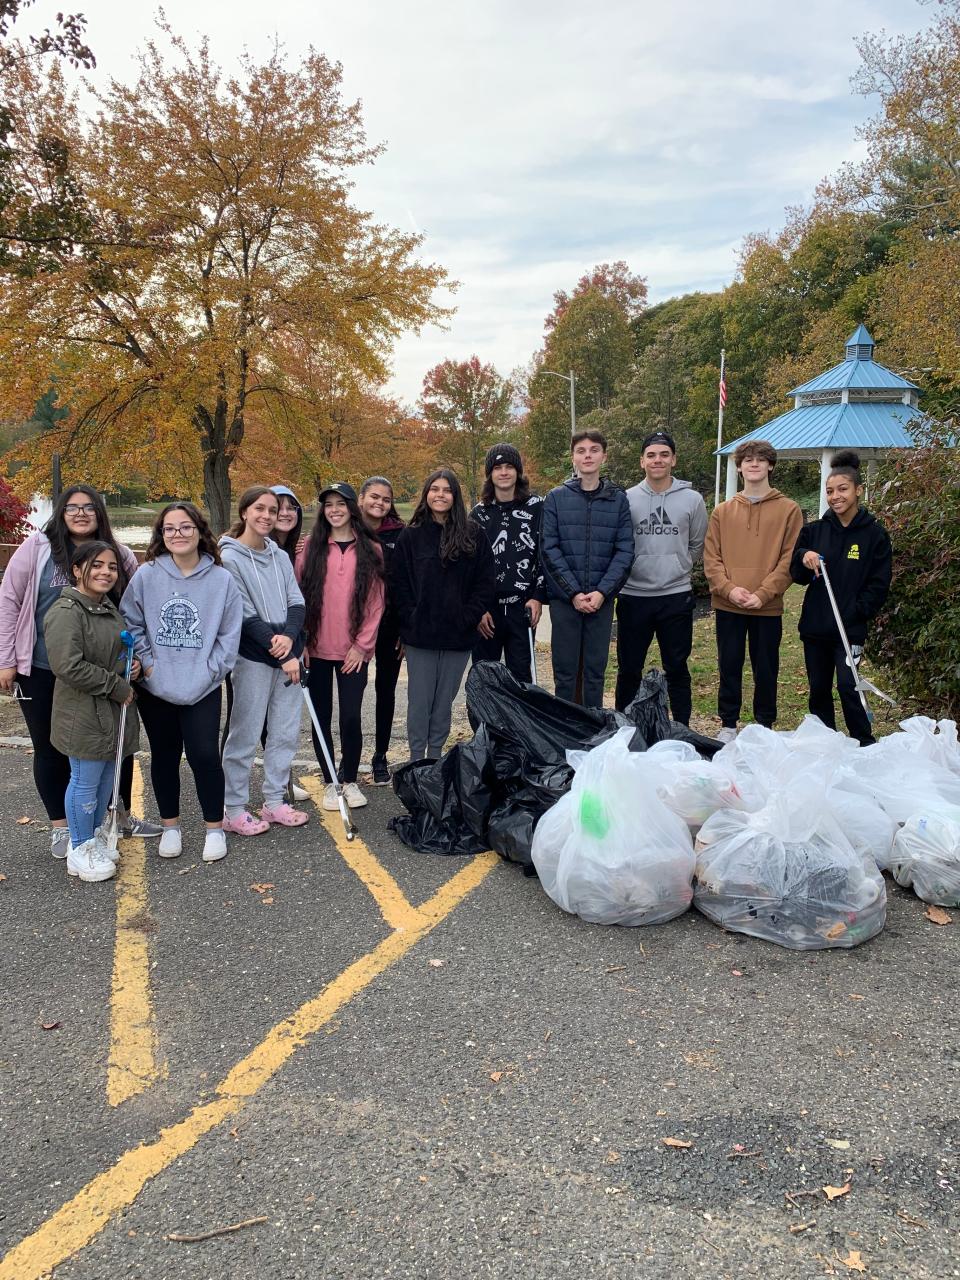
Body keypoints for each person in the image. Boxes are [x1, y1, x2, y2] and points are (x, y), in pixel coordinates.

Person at [0, 484, 161, 858]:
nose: (81, 513)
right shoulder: (38, 548)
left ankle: (117, 815)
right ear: (60, 513)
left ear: (100, 513)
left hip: (104, 669)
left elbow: (135, 608)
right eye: (72, 507)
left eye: (90, 507)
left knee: (115, 746)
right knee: (52, 747)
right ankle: (63, 827)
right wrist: (6, 659)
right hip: (42, 667)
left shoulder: (119, 554)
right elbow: (9, 600)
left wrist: (137, 659)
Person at [121, 503, 242, 862]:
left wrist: (212, 670)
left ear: (199, 530)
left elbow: (228, 634)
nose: (178, 534)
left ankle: (214, 829)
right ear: (161, 534)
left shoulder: (221, 579)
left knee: (205, 755)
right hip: (157, 685)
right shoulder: (146, 575)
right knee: (164, 755)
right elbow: (132, 621)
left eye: (185, 527)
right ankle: (170, 826)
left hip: (201, 684)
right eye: (170, 528)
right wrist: (150, 663)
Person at [44, 542, 140, 882]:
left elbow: (111, 651)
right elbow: (67, 665)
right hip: (84, 713)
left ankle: (94, 837)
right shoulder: (67, 612)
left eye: (111, 567)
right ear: (76, 569)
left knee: (104, 782)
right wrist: (116, 686)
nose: (105, 572)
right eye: (96, 565)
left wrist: (131, 666)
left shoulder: (105, 607)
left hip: (110, 713)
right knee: (85, 781)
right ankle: (79, 847)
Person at [390, 469, 496, 760]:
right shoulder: (410, 536)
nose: (440, 494)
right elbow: (398, 584)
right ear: (426, 494)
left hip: (458, 635)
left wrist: (468, 616)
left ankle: (434, 758)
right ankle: (416, 761)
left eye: (446, 490)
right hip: (420, 635)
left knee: (443, 703)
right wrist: (410, 618)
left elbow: (486, 582)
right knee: (419, 701)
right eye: (434, 489)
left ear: (455, 496)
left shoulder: (473, 534)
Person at [220, 486, 308, 832]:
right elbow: (244, 615)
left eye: (273, 511)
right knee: (245, 733)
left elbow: (296, 602)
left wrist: (291, 643)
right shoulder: (228, 557)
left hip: (287, 656)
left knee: (284, 733)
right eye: (261, 509)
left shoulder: (280, 556)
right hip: (252, 658)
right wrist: (282, 650)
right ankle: (234, 808)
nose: (267, 516)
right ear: (244, 512)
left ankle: (274, 802)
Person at [790, 450, 892, 746]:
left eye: (843, 489)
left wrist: (856, 611)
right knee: (819, 689)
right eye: (830, 491)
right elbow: (796, 575)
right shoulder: (814, 531)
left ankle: (863, 743)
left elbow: (879, 583)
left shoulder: (874, 535)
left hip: (849, 629)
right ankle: (826, 743)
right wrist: (803, 556)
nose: (835, 496)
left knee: (850, 686)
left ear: (859, 491)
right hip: (816, 628)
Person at [703, 440, 803, 741]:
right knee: (729, 665)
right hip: (728, 604)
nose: (754, 464)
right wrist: (729, 590)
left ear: (770, 465)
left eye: (761, 459)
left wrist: (763, 593)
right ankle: (728, 724)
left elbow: (790, 557)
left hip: (767, 606)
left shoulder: (789, 510)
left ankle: (763, 726)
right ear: (740, 466)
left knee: (766, 668)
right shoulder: (722, 511)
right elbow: (712, 557)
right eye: (748, 460)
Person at [296, 482, 385, 809]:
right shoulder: (311, 548)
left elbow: (376, 602)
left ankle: (349, 780)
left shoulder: (370, 549)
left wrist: (362, 646)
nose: (334, 510)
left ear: (352, 508)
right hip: (316, 649)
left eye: (340, 504)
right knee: (321, 717)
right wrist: (301, 639)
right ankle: (331, 780)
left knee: (350, 717)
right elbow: (298, 598)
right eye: (328, 504)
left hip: (353, 653)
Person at [616, 431, 708, 723]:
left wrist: (677, 566)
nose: (658, 460)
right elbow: (620, 545)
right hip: (634, 597)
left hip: (675, 597)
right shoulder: (626, 499)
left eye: (664, 454)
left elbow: (696, 544)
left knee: (677, 667)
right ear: (642, 461)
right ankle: (624, 727)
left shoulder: (692, 500)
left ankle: (681, 727)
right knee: (629, 669)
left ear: (673, 460)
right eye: (652, 455)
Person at [540, 431, 633, 708]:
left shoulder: (618, 500)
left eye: (594, 450)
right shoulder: (556, 498)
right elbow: (549, 549)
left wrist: (603, 592)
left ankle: (594, 730)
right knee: (565, 673)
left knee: (595, 672)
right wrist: (573, 594)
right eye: (581, 450)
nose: (588, 455)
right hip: (565, 601)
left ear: (604, 455)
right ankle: (564, 729)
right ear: (574, 458)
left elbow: (625, 550)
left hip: (601, 601)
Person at [470, 442, 547, 684]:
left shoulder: (537, 508)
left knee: (522, 678)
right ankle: (484, 724)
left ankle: (523, 724)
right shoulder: (478, 514)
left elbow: (545, 555)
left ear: (518, 472)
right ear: (490, 474)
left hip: (521, 607)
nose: (504, 472)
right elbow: (469, 567)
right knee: (485, 677)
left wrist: (537, 596)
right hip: (487, 611)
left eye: (509, 467)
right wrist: (478, 609)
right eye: (497, 467)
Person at [358, 476, 405, 784]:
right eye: (374, 497)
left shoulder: (400, 535)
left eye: (386, 499)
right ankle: (349, 754)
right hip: (354, 626)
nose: (379, 503)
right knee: (352, 693)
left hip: (390, 624)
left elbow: (408, 583)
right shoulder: (344, 530)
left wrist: (405, 627)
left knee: (385, 691)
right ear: (361, 498)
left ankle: (380, 757)